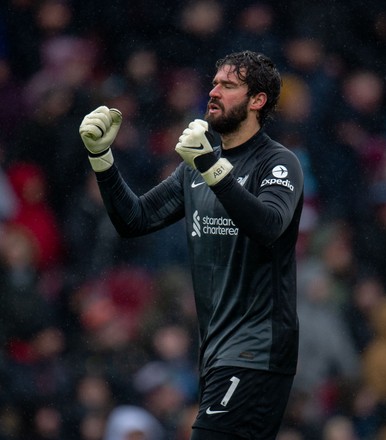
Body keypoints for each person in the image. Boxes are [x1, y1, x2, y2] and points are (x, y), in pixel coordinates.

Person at [79, 50, 304, 440]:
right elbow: (135, 220)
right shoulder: (197, 167)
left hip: (256, 350)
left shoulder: (278, 163)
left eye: (228, 85)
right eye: (214, 82)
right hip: (217, 352)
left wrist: (212, 170)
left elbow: (269, 225)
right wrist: (102, 159)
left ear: (257, 100)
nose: (213, 91)